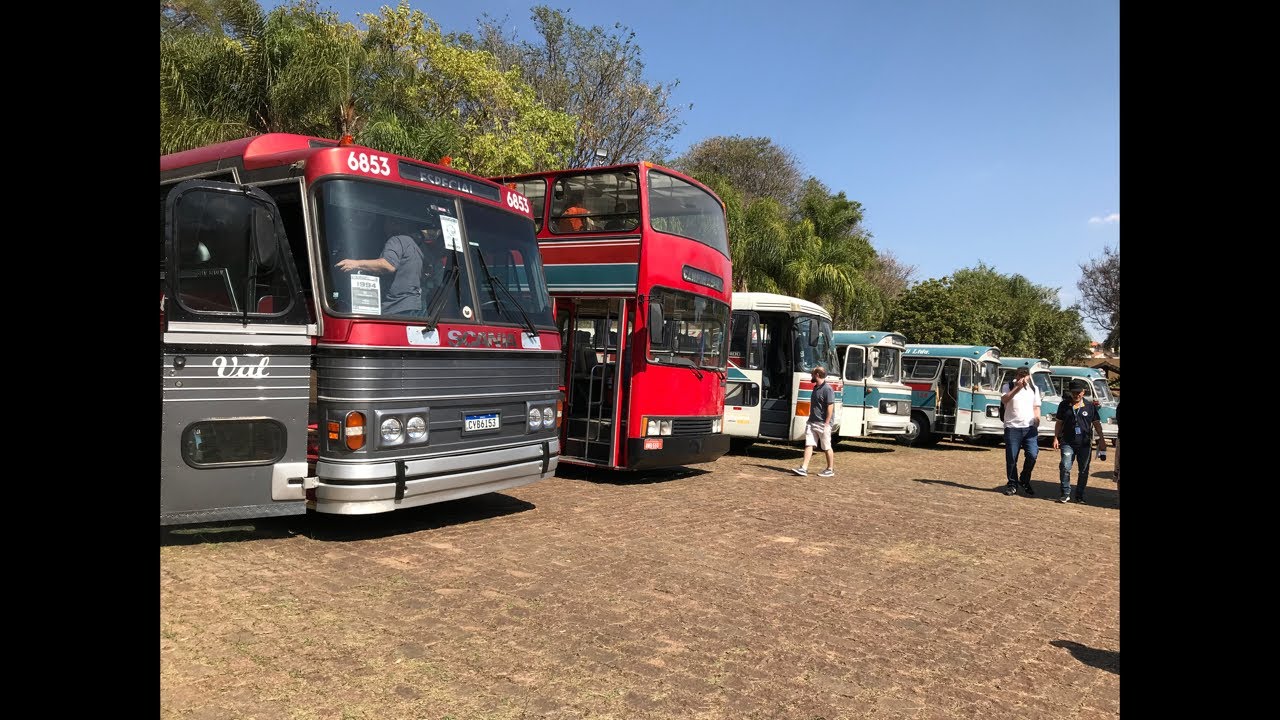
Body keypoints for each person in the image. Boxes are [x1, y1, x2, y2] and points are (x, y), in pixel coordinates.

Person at [335, 216, 423, 316]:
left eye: (391, 221)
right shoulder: (414, 246)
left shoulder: (396, 240)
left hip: (397, 308)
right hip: (413, 307)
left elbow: (388, 265)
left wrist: (356, 264)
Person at [1052, 378, 1107, 503]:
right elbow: (1059, 423)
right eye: (1074, 392)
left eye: (1078, 392)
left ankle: (1079, 495)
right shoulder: (1064, 405)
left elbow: (1097, 424)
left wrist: (1102, 440)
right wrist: (1055, 438)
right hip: (1067, 442)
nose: (1076, 395)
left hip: (1085, 444)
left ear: (1083, 392)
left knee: (1083, 470)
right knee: (1065, 467)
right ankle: (1065, 493)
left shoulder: (1090, 406)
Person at [1000, 367, 1042, 496]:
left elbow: (1036, 406)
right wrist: (1017, 387)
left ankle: (1024, 479)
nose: (1023, 378)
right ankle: (1012, 484)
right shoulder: (1009, 386)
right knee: (1012, 457)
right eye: (1020, 375)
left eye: (1026, 375)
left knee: (1032, 454)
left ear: (1029, 376)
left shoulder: (1033, 388)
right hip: (1012, 427)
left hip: (1029, 428)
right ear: (1016, 375)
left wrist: (1037, 419)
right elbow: (1004, 400)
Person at [792, 366, 836, 477]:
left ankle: (830, 469)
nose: (811, 376)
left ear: (817, 375)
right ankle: (804, 468)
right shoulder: (815, 387)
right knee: (809, 444)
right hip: (812, 422)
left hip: (823, 424)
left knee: (826, 447)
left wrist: (826, 423)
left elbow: (830, 407)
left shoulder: (827, 389)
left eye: (812, 374)